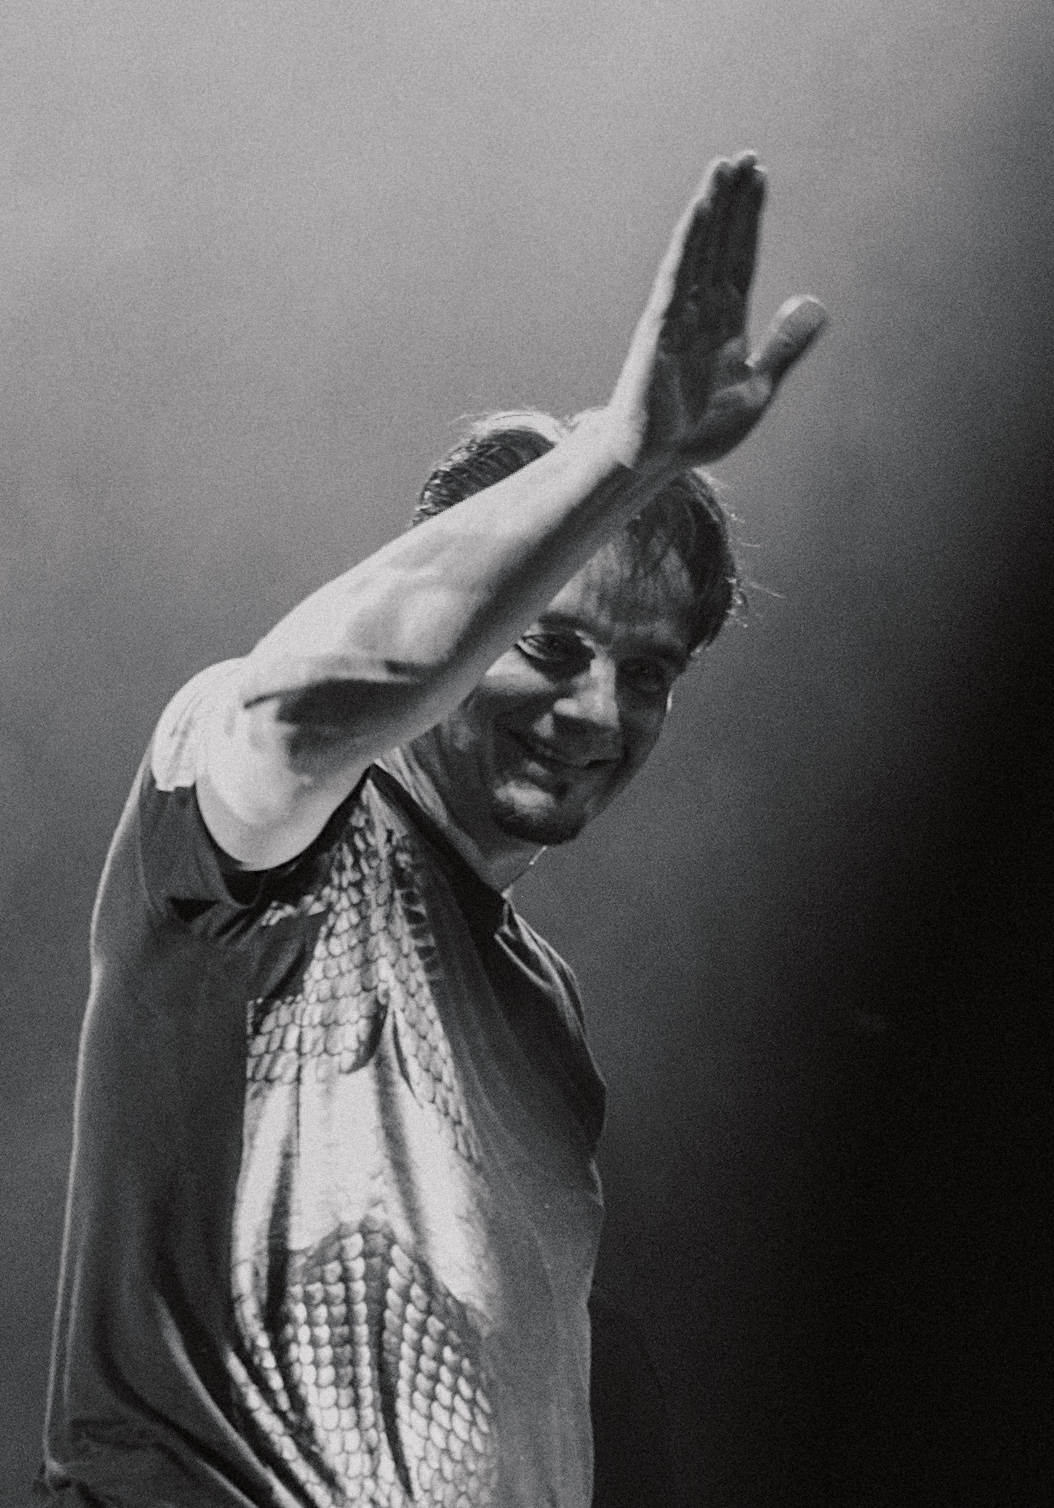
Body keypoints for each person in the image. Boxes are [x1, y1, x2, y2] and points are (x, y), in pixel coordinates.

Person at [37, 154, 826, 1508]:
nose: (597, 711)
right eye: (551, 644)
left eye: (647, 673)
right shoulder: (269, 814)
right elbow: (309, 697)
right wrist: (615, 457)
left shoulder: (546, 1015)